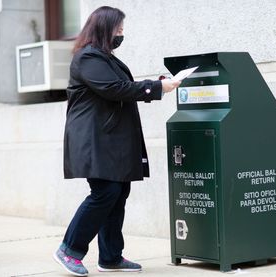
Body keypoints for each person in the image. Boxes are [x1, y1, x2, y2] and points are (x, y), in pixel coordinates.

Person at [53, 6, 180, 276]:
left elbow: (120, 86)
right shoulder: (88, 57)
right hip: (94, 140)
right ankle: (69, 249)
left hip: (109, 139)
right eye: (118, 29)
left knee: (118, 192)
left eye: (122, 29)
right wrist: (156, 88)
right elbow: (113, 89)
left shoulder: (104, 58)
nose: (121, 34)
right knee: (105, 193)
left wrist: (154, 84)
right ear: (103, 29)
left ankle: (110, 257)